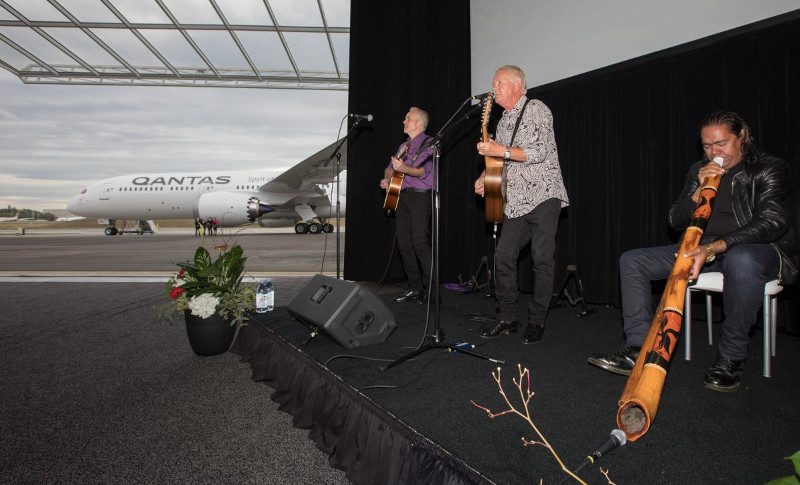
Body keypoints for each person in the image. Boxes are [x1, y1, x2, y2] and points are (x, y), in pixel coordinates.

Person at [588, 111, 797, 392]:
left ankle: (730, 358)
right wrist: (697, 192)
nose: (713, 152)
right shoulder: (698, 169)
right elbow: (675, 220)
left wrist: (715, 247)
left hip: (757, 251)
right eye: (707, 146)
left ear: (742, 137)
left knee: (741, 259)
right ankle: (637, 349)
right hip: (701, 248)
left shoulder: (769, 168)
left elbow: (772, 222)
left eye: (721, 144)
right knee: (633, 260)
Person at [474, 65, 570, 343]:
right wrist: (483, 176)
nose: (493, 88)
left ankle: (537, 320)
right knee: (503, 256)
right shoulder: (503, 121)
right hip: (515, 201)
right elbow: (500, 159)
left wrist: (498, 150)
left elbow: (540, 151)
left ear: (516, 85)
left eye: (498, 83)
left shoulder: (537, 108)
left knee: (542, 260)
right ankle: (507, 317)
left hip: (542, 195)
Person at [380, 107, 435, 304]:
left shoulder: (429, 144)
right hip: (401, 197)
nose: (403, 121)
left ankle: (432, 291)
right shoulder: (403, 146)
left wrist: (404, 169)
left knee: (420, 242)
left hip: (420, 197)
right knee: (404, 244)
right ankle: (415, 287)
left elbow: (423, 172)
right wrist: (387, 180)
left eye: (408, 118)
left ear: (418, 123)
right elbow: (389, 169)